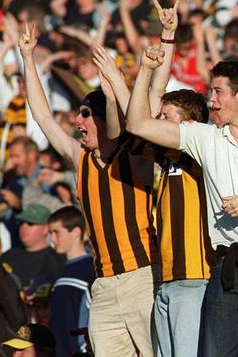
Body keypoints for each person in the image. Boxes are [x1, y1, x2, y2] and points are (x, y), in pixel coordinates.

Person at [125, 60, 238, 356]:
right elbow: (137, 125)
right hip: (227, 263)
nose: (211, 101)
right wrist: (145, 72)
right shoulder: (206, 137)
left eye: (218, 92)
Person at [19, 24, 159, 356]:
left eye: (85, 114)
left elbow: (125, 121)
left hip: (143, 277)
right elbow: (42, 116)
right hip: (104, 284)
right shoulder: (79, 159)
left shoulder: (134, 157)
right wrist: (26, 57)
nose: (77, 122)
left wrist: (112, 87)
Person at [127, 45, 214, 357]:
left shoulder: (196, 152)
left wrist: (148, 70)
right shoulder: (163, 159)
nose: (158, 122)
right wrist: (147, 72)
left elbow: (138, 122)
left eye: (166, 117)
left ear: (187, 123)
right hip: (166, 278)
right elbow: (135, 124)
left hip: (194, 276)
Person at [47, 206, 94, 357]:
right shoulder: (59, 269)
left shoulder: (90, 269)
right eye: (50, 233)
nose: (53, 240)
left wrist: (82, 349)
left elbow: (90, 316)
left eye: (57, 233)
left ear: (76, 232)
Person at [0, 204, 64, 290]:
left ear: (46, 229)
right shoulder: (8, 255)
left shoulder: (57, 260)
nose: (23, 227)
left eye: (30, 223)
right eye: (21, 222)